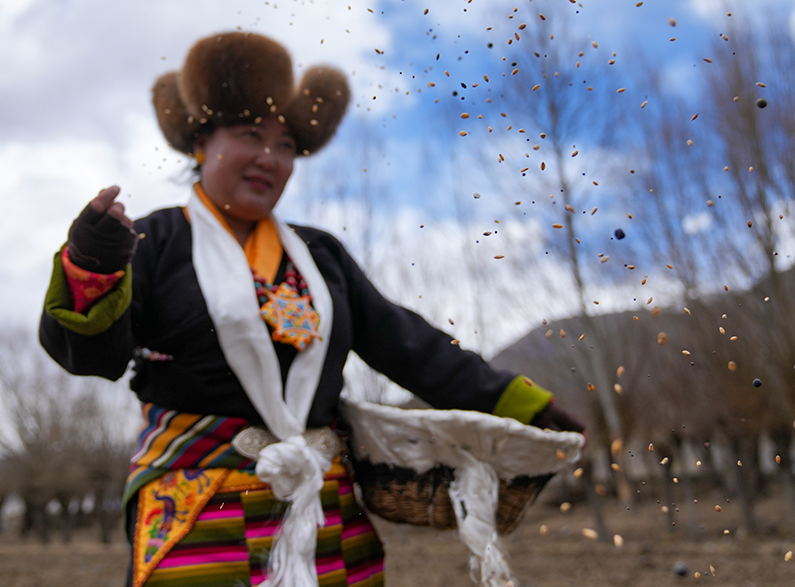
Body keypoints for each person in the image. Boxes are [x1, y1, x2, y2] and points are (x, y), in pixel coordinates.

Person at [40, 31, 584, 587]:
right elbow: (92, 358)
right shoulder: (153, 242)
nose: (270, 159)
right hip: (197, 506)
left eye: (286, 146)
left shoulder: (319, 256)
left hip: (321, 505)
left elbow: (407, 344)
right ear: (201, 141)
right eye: (252, 135)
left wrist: (518, 402)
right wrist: (93, 265)